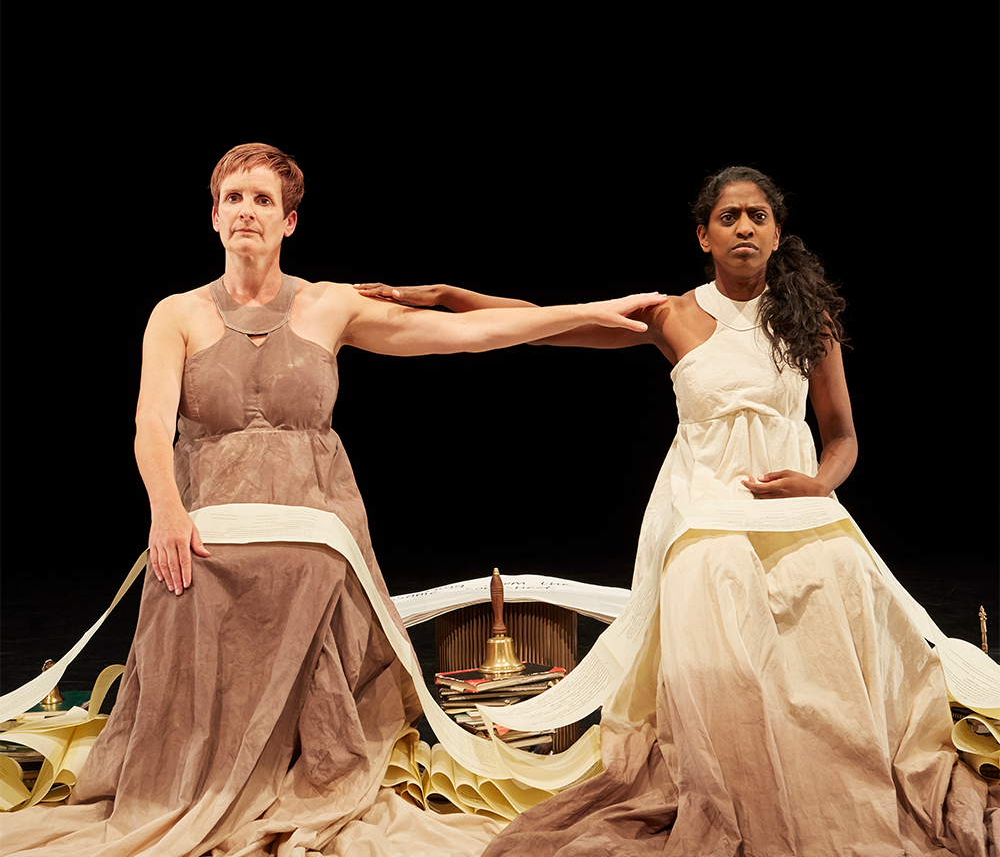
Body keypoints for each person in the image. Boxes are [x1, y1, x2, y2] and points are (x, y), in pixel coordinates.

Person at [0, 143, 664, 857]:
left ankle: (304, 768)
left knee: (311, 578)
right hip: (206, 522)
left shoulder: (327, 304)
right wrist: (165, 508)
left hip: (316, 522)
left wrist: (582, 311)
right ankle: (194, 778)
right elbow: (149, 424)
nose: (246, 211)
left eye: (262, 200)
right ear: (214, 216)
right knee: (184, 585)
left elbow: (462, 334)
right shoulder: (178, 314)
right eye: (233, 198)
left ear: (289, 222)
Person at [356, 166, 997, 856]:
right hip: (705, 508)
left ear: (778, 233)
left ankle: (827, 775)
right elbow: (547, 325)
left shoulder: (809, 319)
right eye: (729, 217)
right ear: (704, 235)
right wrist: (449, 295)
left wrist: (816, 485)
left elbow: (841, 437)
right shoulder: (672, 314)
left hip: (795, 508)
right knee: (714, 581)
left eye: (758, 216)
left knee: (835, 587)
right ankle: (737, 780)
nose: (744, 226)